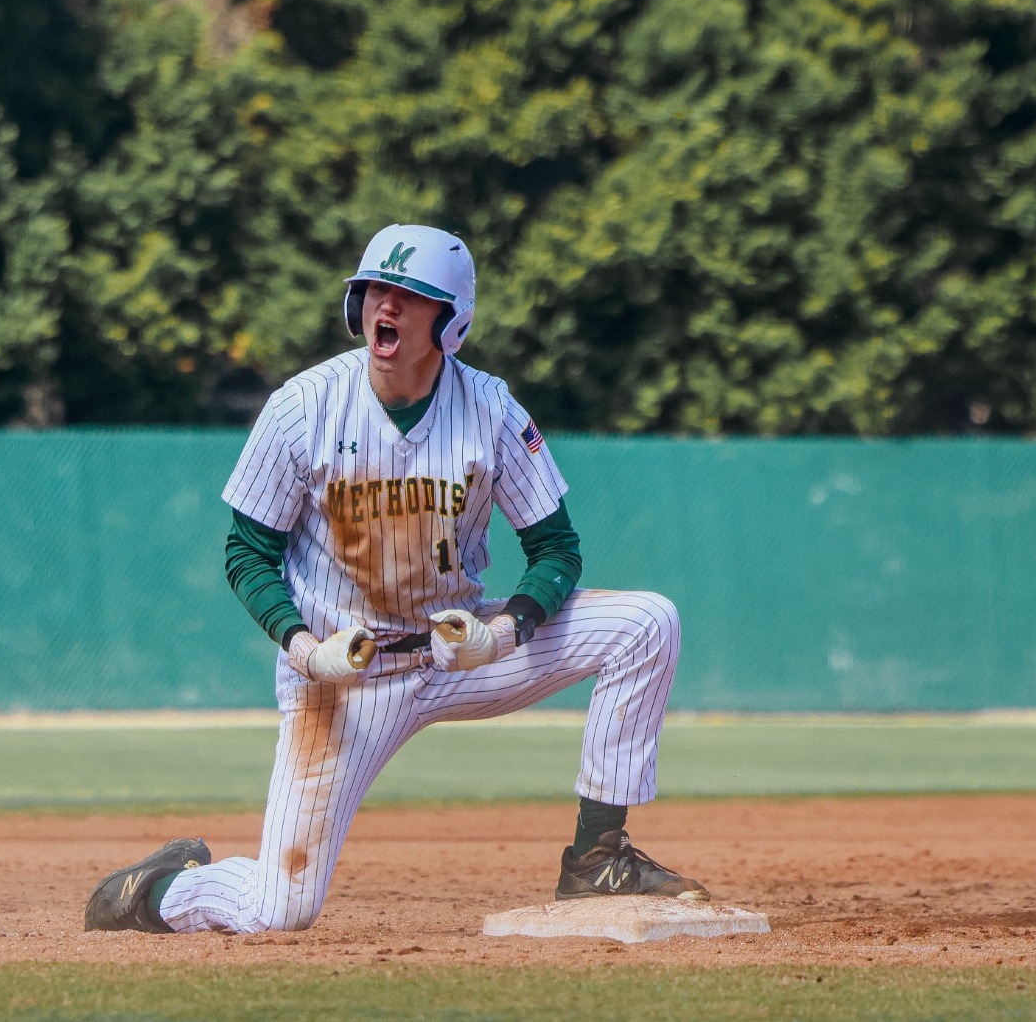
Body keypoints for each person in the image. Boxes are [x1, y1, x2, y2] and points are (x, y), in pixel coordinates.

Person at [84, 224, 705, 935]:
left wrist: (504, 631)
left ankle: (599, 856)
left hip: (456, 652)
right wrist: (303, 647)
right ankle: (159, 889)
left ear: (452, 322)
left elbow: (556, 548)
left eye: (411, 296)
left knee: (647, 622)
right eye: (377, 288)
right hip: (341, 677)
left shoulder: (491, 409)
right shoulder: (304, 407)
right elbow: (247, 553)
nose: (388, 305)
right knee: (280, 909)